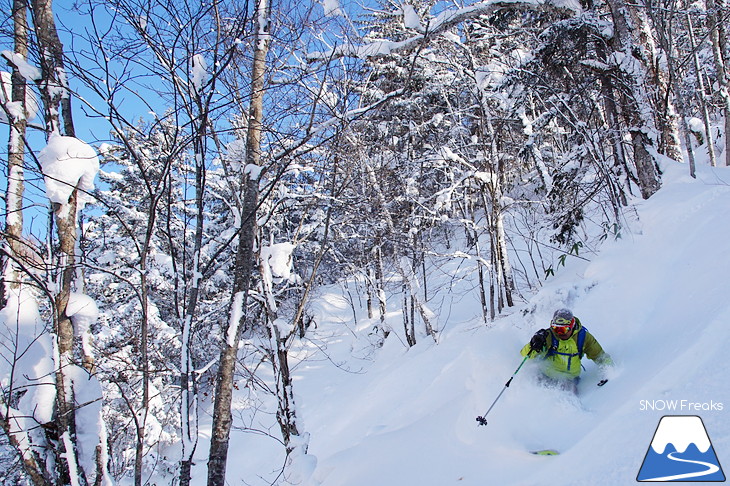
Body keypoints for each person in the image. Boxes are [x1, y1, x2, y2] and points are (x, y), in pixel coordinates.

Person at [521, 308, 612, 393]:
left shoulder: (583, 337)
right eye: (556, 328)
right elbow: (524, 356)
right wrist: (533, 343)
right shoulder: (547, 336)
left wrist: (609, 371)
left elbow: (599, 355)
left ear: (572, 326)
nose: (560, 333)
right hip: (545, 376)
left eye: (564, 329)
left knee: (567, 392)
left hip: (569, 379)